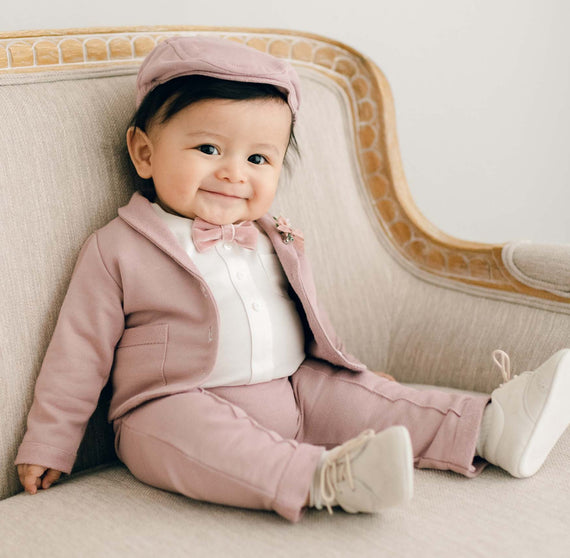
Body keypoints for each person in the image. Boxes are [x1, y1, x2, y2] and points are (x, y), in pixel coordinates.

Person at [15, 36, 570, 523]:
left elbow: (302, 316)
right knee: (200, 437)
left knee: (373, 398)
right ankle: (324, 479)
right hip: (173, 402)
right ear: (144, 151)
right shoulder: (117, 248)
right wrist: (50, 441)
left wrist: (346, 367)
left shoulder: (272, 233)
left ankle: (491, 428)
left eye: (259, 158)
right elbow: (77, 352)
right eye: (208, 148)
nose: (235, 172)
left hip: (294, 384)